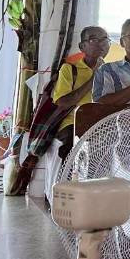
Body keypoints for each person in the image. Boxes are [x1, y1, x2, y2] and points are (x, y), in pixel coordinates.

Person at [51, 26, 111, 160]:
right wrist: (94, 78)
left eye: (104, 40)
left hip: (101, 125)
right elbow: (63, 103)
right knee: (73, 149)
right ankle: (67, 180)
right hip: (73, 124)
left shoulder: (111, 71)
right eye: (94, 39)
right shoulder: (70, 69)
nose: (100, 44)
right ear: (82, 46)